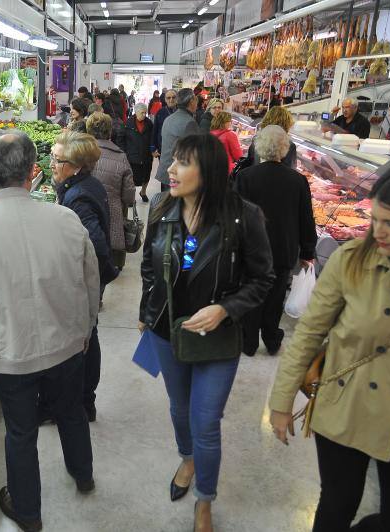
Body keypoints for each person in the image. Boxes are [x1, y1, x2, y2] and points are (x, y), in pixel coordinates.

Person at [0, 130, 99, 532]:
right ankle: (83, 474)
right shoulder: (66, 220)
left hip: (8, 354)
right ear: (33, 171)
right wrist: (83, 329)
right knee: (71, 411)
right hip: (66, 344)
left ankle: (28, 512)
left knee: (20, 430)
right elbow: (90, 285)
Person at [269, 161, 390, 532]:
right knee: (337, 504)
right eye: (376, 219)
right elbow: (308, 334)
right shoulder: (351, 261)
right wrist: (281, 402)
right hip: (348, 403)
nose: (378, 232)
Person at [139, 134, 274, 532]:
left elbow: (263, 278)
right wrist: (147, 312)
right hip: (167, 331)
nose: (170, 169)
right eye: (172, 161)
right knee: (179, 409)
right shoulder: (162, 207)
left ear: (209, 171)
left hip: (216, 338)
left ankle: (205, 499)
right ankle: (188, 459)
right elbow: (148, 266)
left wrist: (225, 309)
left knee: (206, 421)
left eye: (182, 162)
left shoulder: (243, 216)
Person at [51, 131, 118, 422]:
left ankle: (81, 404)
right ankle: (84, 402)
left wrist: (88, 281)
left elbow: (97, 247)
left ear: (76, 166)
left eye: (58, 160)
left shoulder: (78, 198)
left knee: (84, 340)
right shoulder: (86, 185)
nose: (52, 164)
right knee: (88, 335)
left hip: (81, 283)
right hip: (87, 281)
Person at [235, 125, 317, 356]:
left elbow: (236, 215)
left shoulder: (245, 177)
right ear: (285, 148)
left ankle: (249, 342)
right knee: (275, 297)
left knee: (251, 294)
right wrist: (307, 251)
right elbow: (306, 218)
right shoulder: (298, 180)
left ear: (259, 147)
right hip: (283, 249)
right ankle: (271, 340)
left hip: (252, 249)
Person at [86, 112, 135, 271]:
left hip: (85, 209)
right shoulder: (121, 157)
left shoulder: (82, 153)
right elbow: (129, 195)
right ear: (110, 131)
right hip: (112, 211)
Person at [155, 88, 201, 191]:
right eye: (196, 99)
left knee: (166, 199)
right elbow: (194, 152)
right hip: (178, 173)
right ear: (191, 101)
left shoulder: (169, 118)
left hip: (166, 170)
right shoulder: (189, 122)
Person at [124, 103, 155, 202]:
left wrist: (153, 149)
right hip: (133, 155)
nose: (144, 115)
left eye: (145, 113)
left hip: (146, 154)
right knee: (132, 178)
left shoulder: (149, 123)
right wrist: (124, 152)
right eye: (142, 113)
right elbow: (123, 138)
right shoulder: (128, 123)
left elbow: (153, 137)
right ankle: (132, 196)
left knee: (146, 175)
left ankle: (143, 192)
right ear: (136, 112)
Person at [152, 90, 178, 158]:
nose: (171, 100)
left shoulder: (182, 112)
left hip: (178, 150)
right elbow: (155, 131)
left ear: (177, 99)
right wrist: (153, 149)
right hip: (163, 149)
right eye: (168, 98)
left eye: (173, 97)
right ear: (165, 100)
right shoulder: (160, 112)